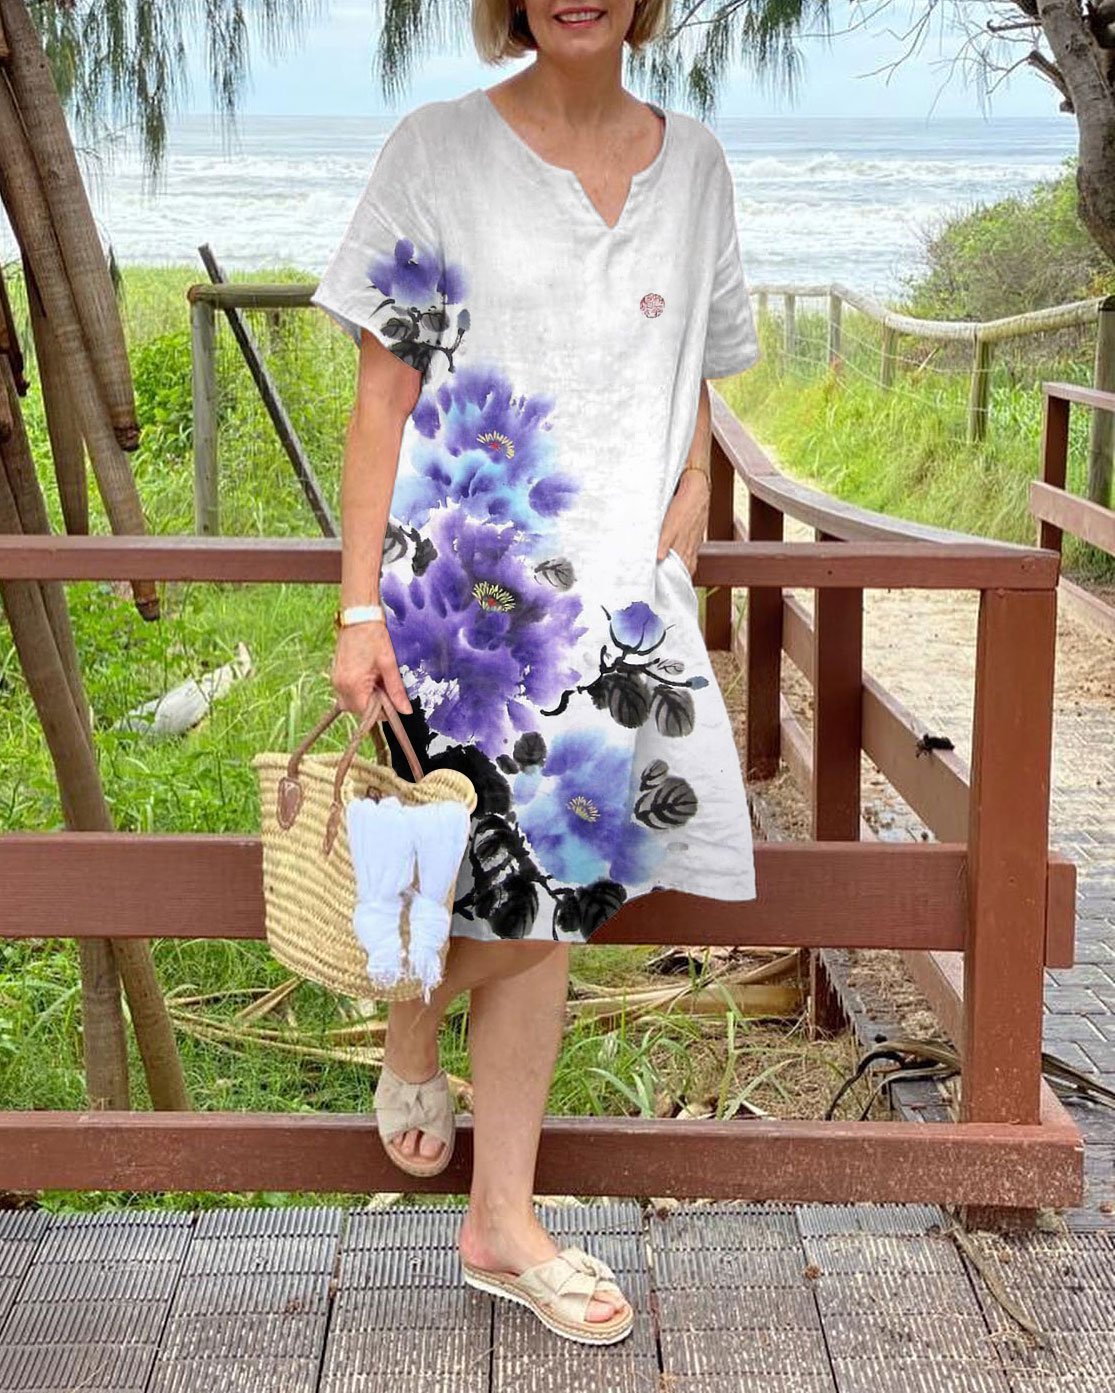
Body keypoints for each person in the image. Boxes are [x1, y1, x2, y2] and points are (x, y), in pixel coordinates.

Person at [311, 0, 761, 1348]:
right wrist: (356, 609)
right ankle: (424, 1051)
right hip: (458, 612)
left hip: (612, 615)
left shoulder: (697, 168)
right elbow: (381, 398)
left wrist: (695, 480)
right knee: (498, 895)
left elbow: (696, 363)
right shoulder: (436, 149)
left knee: (554, 912)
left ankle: (492, 1205)